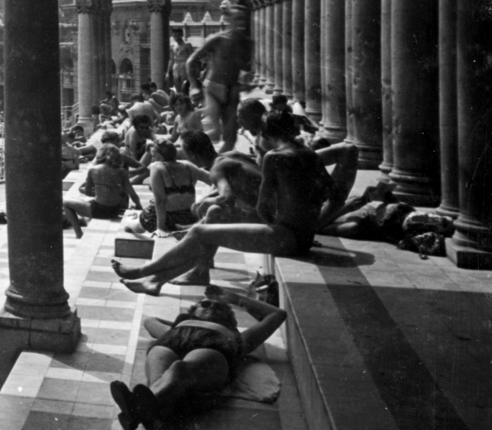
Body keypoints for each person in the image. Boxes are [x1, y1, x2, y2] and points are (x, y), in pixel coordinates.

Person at [114, 109, 335, 294]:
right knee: (210, 221)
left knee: (202, 232)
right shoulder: (308, 154)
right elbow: (327, 192)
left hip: (286, 235)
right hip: (304, 234)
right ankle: (161, 279)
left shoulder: (273, 157)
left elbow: (261, 205)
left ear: (266, 134)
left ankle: (145, 272)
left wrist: (268, 220)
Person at [111, 286, 288, 430]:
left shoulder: (237, 337)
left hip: (212, 349)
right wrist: (181, 322)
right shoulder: (175, 328)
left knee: (180, 369)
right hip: (171, 342)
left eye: (219, 307)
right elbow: (150, 321)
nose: (212, 307)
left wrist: (234, 299)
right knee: (159, 378)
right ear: (193, 310)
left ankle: (137, 410)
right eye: (205, 304)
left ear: (230, 319)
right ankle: (147, 413)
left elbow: (278, 314)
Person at [186, 3, 254, 148]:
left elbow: (247, 69)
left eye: (243, 19)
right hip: (213, 88)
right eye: (237, 19)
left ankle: (219, 165)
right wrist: (194, 86)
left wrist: (247, 81)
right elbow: (191, 61)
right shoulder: (217, 39)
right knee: (215, 132)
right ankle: (191, 144)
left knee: (231, 136)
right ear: (229, 20)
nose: (240, 23)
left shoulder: (247, 43)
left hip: (232, 90)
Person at [143, 138, 213, 236]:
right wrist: (204, 200)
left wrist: (160, 228)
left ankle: (131, 225)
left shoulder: (157, 167)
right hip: (188, 217)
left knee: (140, 222)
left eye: (153, 156)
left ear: (160, 156)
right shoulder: (189, 166)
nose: (152, 160)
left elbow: (160, 201)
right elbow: (215, 181)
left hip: (167, 220)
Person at [63, 144, 144, 227]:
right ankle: (85, 222)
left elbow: (87, 192)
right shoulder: (122, 171)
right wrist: (139, 205)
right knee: (91, 201)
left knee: (65, 202)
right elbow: (132, 194)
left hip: (98, 210)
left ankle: (79, 234)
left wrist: (100, 192)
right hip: (114, 210)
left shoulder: (93, 170)